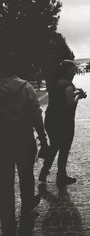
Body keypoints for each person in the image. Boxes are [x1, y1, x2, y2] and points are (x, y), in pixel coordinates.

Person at [0, 54, 48, 235]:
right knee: (26, 175)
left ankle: (7, 221)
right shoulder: (25, 87)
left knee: (4, 182)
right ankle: (27, 207)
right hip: (23, 138)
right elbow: (37, 115)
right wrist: (43, 138)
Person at [38, 60, 87, 188]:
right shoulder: (68, 85)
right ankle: (61, 177)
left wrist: (75, 93)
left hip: (51, 119)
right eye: (72, 69)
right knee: (64, 149)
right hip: (64, 121)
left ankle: (43, 173)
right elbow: (70, 103)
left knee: (54, 146)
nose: (75, 72)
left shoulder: (55, 83)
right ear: (66, 71)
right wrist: (79, 96)